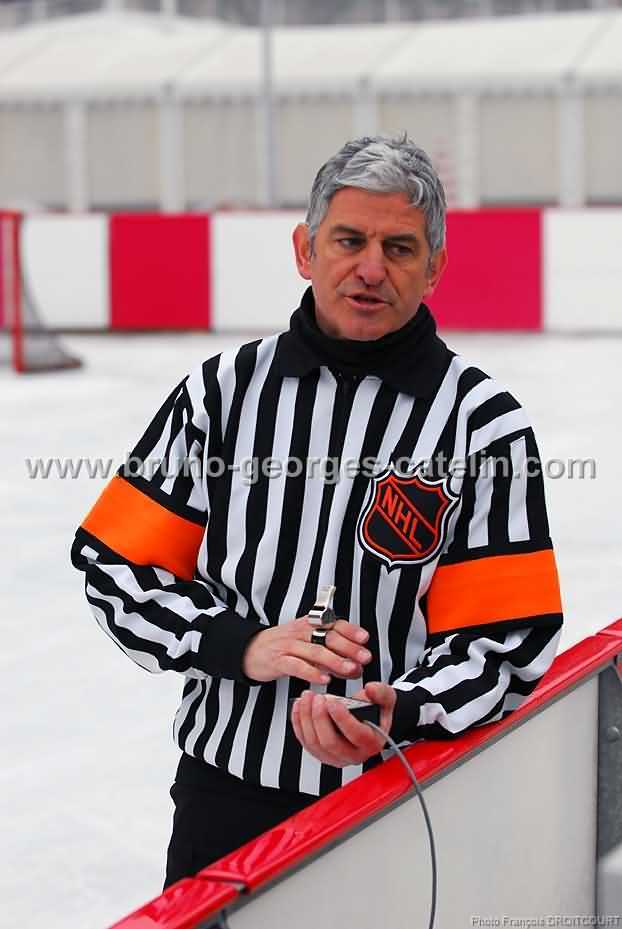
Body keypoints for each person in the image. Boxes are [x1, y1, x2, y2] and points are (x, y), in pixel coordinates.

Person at [71, 134, 563, 888]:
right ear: (306, 250)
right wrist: (240, 643)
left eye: (399, 247)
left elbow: (506, 641)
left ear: (434, 268)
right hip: (226, 794)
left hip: (402, 795)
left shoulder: (482, 425)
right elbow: (115, 568)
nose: (370, 268)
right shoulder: (222, 393)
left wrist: (402, 709)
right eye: (349, 240)